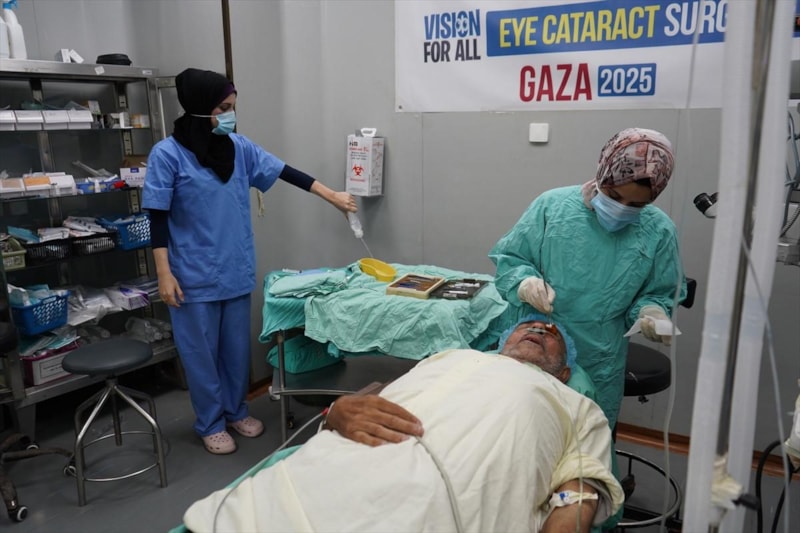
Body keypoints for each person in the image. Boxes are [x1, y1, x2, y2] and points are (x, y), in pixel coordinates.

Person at [182, 317, 624, 533]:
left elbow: (580, 493)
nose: (540, 328)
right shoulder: (451, 358)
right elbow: (381, 399)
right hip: (355, 457)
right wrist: (336, 412)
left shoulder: (574, 405)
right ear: (502, 342)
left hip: (448, 495)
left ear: (565, 372)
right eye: (530, 324)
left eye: (551, 334)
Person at [142, 68, 357, 455]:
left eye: (233, 107)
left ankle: (236, 411)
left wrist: (333, 197)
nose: (231, 115)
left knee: (235, 353)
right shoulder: (168, 154)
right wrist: (163, 273)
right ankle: (210, 423)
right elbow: (157, 215)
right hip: (191, 275)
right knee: (200, 356)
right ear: (199, 108)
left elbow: (285, 171)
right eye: (223, 108)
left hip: (234, 268)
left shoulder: (238, 149)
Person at [488, 127, 687, 432]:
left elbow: (658, 291)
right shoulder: (551, 207)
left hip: (600, 356)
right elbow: (511, 259)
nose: (621, 210)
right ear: (603, 173)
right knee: (518, 430)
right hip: (536, 343)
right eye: (614, 196)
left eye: (636, 206)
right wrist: (524, 284)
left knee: (586, 437)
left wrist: (651, 311)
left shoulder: (659, 231)